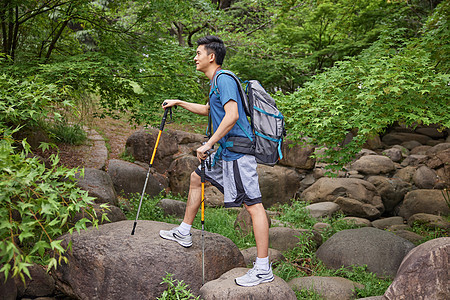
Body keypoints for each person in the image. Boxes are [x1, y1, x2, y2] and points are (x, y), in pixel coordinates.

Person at [159, 35, 273, 287]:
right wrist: (179, 102)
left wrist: (209, 143)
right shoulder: (215, 84)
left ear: (212, 56)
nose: (195, 57)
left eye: (198, 53)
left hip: (239, 152)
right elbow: (210, 109)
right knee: (196, 178)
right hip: (226, 152)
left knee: (253, 206)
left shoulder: (224, 79)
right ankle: (184, 232)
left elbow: (231, 116)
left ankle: (264, 267)